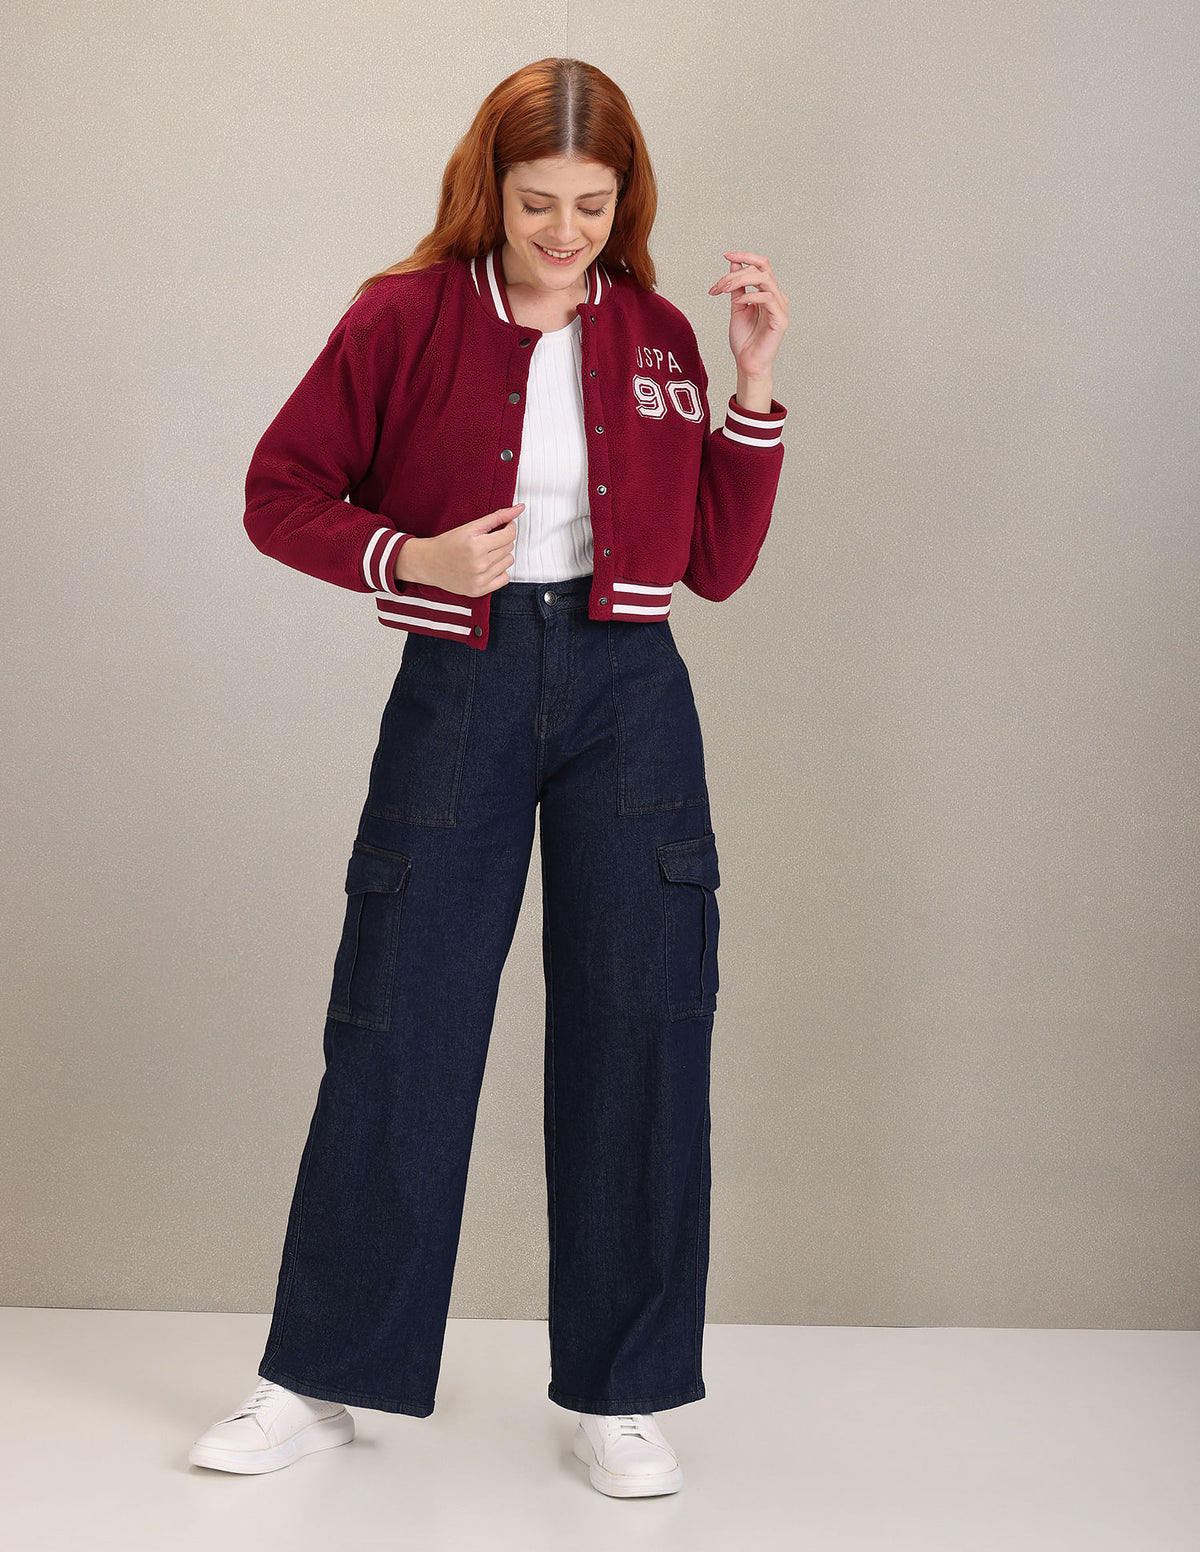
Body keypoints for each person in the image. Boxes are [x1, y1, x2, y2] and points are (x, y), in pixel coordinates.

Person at [188, 55, 788, 1498]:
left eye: (593, 204)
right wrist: (410, 557)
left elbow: (715, 564)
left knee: (643, 1026)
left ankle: (623, 1392)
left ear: (624, 201)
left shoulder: (656, 333)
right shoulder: (401, 317)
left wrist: (754, 386)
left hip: (632, 697)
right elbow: (279, 492)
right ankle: (317, 1378)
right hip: (463, 683)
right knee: (399, 1020)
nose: (565, 232)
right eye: (538, 203)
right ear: (489, 189)